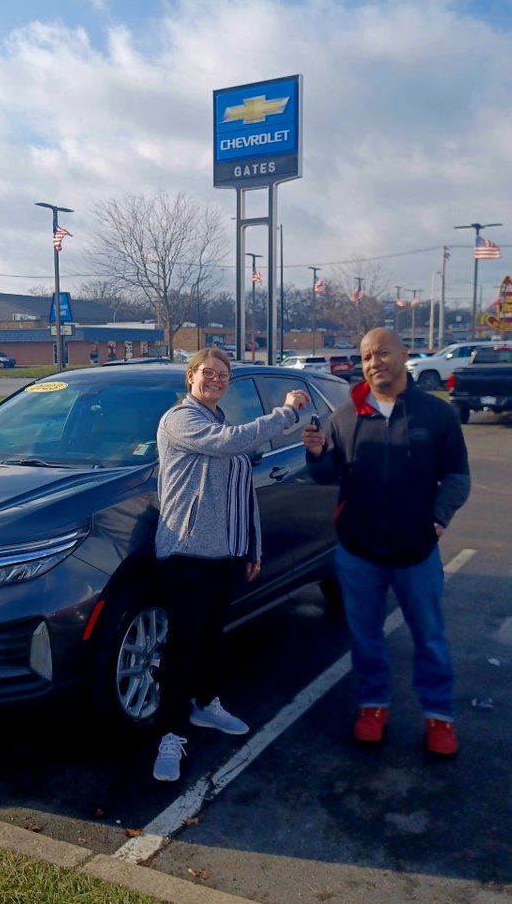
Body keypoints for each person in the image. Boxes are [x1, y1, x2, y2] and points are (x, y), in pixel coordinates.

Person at [302, 328, 470, 756]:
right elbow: (326, 475)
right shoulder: (346, 417)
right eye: (365, 357)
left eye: (381, 353)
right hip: (359, 553)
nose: (373, 362)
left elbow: (457, 476)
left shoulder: (436, 415)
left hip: (416, 553)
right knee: (365, 638)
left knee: (429, 637)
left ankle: (439, 715)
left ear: (403, 354)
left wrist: (438, 519)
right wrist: (316, 454)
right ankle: (372, 706)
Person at [151, 347, 309, 781]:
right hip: (186, 553)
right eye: (209, 372)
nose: (217, 379)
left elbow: (243, 493)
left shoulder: (219, 422)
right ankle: (170, 735)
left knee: (210, 639)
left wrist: (252, 545)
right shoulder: (181, 419)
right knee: (181, 648)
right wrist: (285, 414)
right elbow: (232, 443)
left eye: (223, 375)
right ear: (190, 377)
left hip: (225, 554)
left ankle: (206, 704)